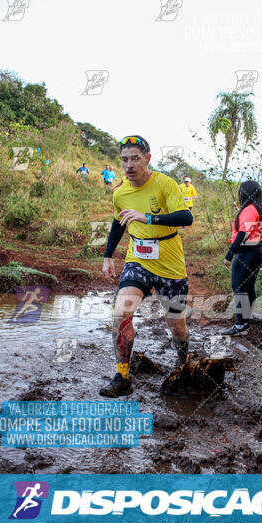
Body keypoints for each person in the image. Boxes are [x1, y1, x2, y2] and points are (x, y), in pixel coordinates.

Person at [99, 135, 193, 397]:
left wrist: (149, 217)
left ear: (147, 158)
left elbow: (187, 217)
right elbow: (119, 223)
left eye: (135, 158)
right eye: (124, 159)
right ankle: (122, 376)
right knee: (121, 312)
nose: (129, 165)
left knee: (177, 325)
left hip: (170, 262)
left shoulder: (165, 184)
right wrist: (108, 256)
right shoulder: (120, 193)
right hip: (137, 258)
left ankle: (183, 360)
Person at [222, 181, 262, 336]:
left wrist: (229, 255)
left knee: (239, 287)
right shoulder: (257, 208)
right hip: (256, 251)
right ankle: (246, 321)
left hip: (248, 253)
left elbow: (243, 234)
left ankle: (240, 325)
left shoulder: (249, 210)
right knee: (248, 287)